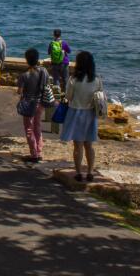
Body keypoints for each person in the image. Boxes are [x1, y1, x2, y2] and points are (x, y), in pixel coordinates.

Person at [61, 51, 102, 181]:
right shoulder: (96, 80)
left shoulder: (73, 80)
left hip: (76, 113)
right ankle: (90, 172)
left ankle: (78, 173)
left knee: (77, 146)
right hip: (90, 114)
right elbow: (99, 97)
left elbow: (68, 96)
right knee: (89, 145)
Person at [17, 48, 50, 162]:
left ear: (27, 60)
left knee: (29, 129)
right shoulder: (44, 71)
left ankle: (34, 153)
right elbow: (47, 85)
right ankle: (39, 150)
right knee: (37, 125)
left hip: (29, 104)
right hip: (40, 102)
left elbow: (19, 91)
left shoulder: (24, 75)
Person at [48, 29, 72, 93]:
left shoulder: (51, 43)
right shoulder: (64, 43)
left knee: (56, 79)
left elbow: (49, 52)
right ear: (60, 35)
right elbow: (69, 51)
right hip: (64, 63)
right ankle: (66, 96)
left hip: (55, 64)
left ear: (54, 35)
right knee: (65, 79)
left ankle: (57, 95)